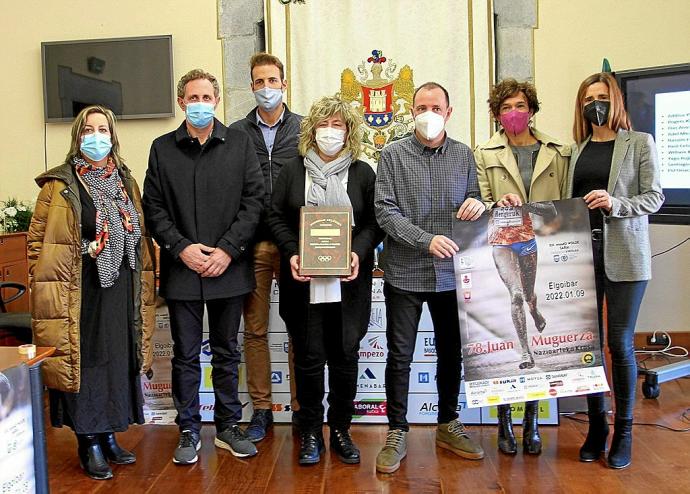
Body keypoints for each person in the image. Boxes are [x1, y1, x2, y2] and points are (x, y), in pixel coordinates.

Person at [143, 69, 264, 465]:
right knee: (184, 355)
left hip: (230, 268)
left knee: (228, 352)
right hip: (183, 271)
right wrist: (181, 248)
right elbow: (154, 208)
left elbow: (254, 202)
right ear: (182, 102)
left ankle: (229, 426)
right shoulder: (162, 148)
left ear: (216, 101)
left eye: (206, 97)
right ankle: (189, 429)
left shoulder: (241, 144)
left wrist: (228, 250)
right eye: (192, 98)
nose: (199, 104)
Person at [28, 105, 156, 480]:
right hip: (78, 292)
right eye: (88, 130)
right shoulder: (59, 185)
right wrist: (85, 253)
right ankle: (89, 442)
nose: (96, 136)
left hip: (121, 286)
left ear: (112, 136)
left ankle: (109, 434)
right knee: (87, 364)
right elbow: (38, 244)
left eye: (103, 129)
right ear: (77, 137)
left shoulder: (125, 180)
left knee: (117, 361)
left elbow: (138, 233)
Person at [374, 82, 486, 474]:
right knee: (400, 355)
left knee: (450, 353)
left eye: (435, 106)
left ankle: (448, 423)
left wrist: (478, 202)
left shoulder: (463, 155)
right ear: (411, 111)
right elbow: (385, 212)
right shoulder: (392, 154)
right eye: (421, 106)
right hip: (404, 272)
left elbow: (474, 200)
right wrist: (425, 241)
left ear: (449, 112)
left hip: (451, 275)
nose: (428, 112)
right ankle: (396, 430)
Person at [268, 95, 382, 465]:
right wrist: (292, 253)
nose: (329, 132)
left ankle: (343, 431)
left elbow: (374, 223)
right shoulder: (292, 170)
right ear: (311, 129)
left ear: (349, 131)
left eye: (338, 125)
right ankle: (311, 432)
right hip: (303, 281)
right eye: (323, 124)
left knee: (346, 356)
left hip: (349, 282)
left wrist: (357, 253)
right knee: (309, 358)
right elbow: (275, 218)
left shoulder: (363, 173)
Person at [567, 72, 663, 469]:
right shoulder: (577, 149)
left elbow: (655, 196)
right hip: (582, 259)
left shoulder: (639, 143)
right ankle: (596, 428)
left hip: (625, 256)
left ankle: (623, 431)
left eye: (602, 96)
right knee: (589, 347)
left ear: (615, 100)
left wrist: (614, 202)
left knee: (619, 345)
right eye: (588, 97)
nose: (595, 103)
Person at [474, 78, 570, 456]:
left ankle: (532, 418)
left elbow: (567, 202)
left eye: (519, 105)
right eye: (505, 107)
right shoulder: (483, 152)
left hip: (537, 239)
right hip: (502, 238)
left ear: (531, 108)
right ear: (497, 114)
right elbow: (478, 201)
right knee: (515, 294)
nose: (513, 113)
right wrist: (498, 204)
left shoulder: (560, 151)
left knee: (528, 295)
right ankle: (504, 421)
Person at [228, 53, 302, 442]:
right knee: (254, 330)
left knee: (299, 329)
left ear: (284, 84)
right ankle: (261, 410)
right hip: (252, 244)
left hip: (295, 245)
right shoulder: (237, 133)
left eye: (273, 81)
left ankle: (302, 408)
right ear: (252, 86)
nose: (266, 88)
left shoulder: (305, 129)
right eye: (259, 82)